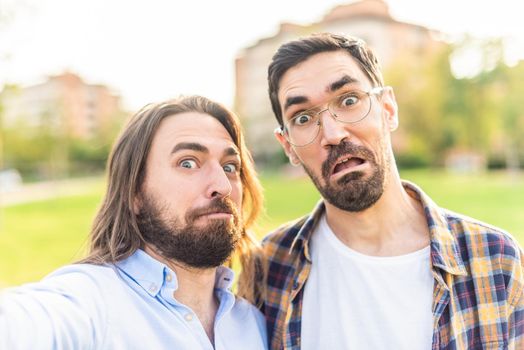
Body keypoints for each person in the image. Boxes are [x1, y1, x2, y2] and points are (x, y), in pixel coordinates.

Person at [258, 33, 524, 349]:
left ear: (388, 108)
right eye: (303, 117)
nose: (332, 133)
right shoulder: (268, 267)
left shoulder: (495, 260)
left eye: (349, 100)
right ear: (288, 146)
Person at [0, 96, 268, 350]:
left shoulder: (253, 324)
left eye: (230, 166)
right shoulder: (92, 303)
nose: (222, 185)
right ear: (134, 194)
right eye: (188, 163)